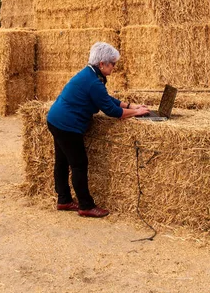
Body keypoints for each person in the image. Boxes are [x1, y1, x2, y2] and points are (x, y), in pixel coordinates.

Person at [46, 42, 150, 218]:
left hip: (55, 120)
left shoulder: (90, 75)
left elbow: (106, 99)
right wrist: (136, 112)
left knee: (62, 162)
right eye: (112, 63)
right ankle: (86, 206)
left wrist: (131, 105)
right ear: (102, 64)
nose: (114, 67)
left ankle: (63, 200)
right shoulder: (93, 81)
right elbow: (112, 111)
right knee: (79, 165)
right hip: (67, 126)